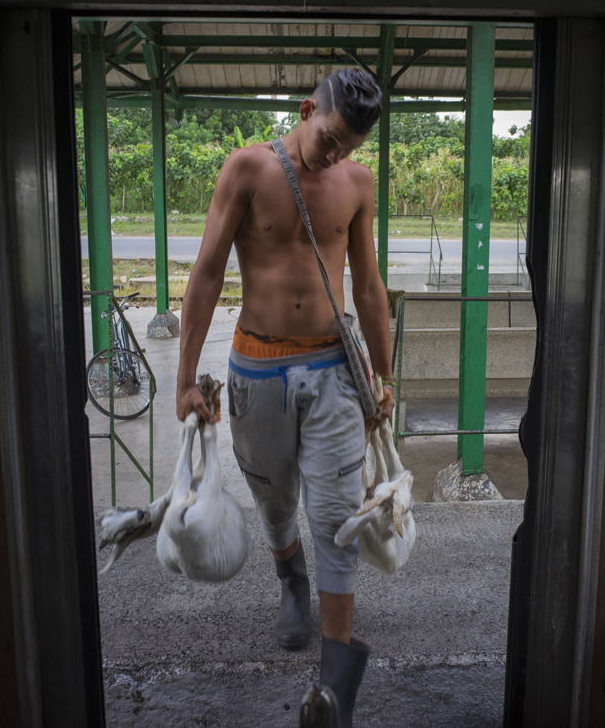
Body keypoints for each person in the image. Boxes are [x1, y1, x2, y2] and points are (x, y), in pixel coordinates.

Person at [175, 68, 395, 727]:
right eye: (329, 138)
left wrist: (382, 376)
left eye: (348, 147)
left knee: (337, 516)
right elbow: (208, 272)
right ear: (306, 110)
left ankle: (333, 690)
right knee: (274, 499)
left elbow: (367, 287)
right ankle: (289, 578)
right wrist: (186, 377)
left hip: (331, 371)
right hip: (257, 372)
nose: (335, 155)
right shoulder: (246, 168)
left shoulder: (355, 182)